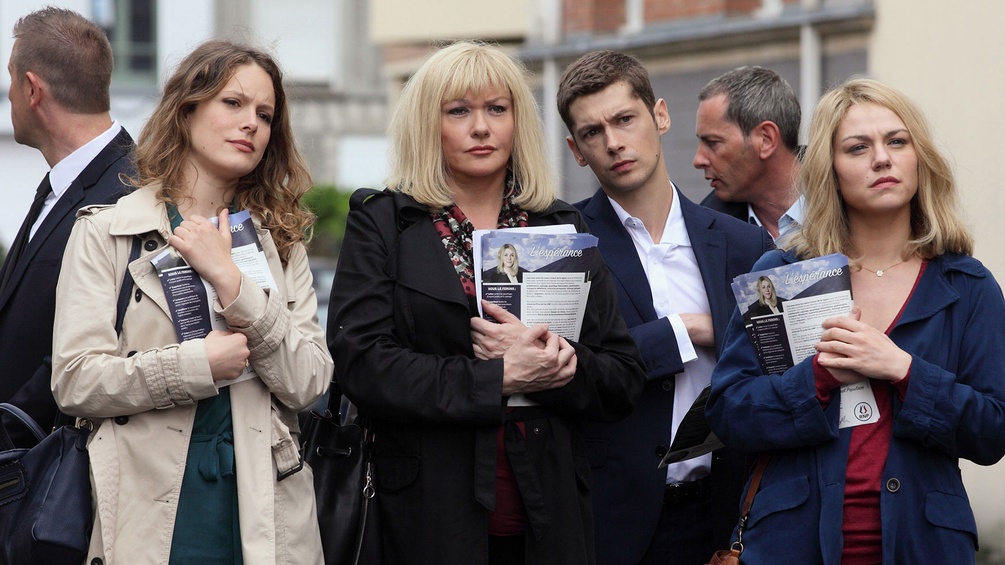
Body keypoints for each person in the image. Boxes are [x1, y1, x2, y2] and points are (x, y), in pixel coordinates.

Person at [327, 41, 646, 565]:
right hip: (426, 518)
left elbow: (621, 377)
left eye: (497, 109)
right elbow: (362, 364)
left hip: (550, 515)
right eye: (459, 111)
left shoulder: (561, 226)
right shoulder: (383, 221)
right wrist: (497, 377)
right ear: (428, 126)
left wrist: (561, 366)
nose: (482, 127)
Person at [50, 40, 331, 563]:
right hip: (146, 500)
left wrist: (232, 281)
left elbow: (310, 381)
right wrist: (194, 366)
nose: (251, 123)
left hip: (263, 500)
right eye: (233, 103)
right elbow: (75, 380)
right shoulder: (106, 231)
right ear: (187, 109)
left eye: (265, 114)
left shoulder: (281, 242)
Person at [706, 78, 1005, 564]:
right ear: (831, 169)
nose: (881, 159)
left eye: (897, 141)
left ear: (919, 158)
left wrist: (905, 371)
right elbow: (730, 414)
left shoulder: (967, 285)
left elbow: (994, 429)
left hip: (923, 546)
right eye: (857, 147)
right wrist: (818, 378)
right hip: (792, 544)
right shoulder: (779, 276)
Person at [557, 50, 772, 565]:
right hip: (612, 525)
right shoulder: (565, 245)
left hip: (726, 515)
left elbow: (776, 365)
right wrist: (689, 329)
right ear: (577, 150)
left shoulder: (744, 245)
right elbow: (566, 369)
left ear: (660, 116)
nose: (613, 142)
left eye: (625, 119)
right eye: (592, 133)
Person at [0, 7, 133, 440]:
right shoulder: (62, 182)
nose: (9, 96)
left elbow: (101, 338)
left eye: (11, 81)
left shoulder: (127, 192)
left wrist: (9, 432)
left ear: (33, 89)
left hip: (50, 471)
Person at [693, 66, 803, 240]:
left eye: (712, 143)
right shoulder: (703, 238)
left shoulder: (850, 204)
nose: (698, 160)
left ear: (766, 139)